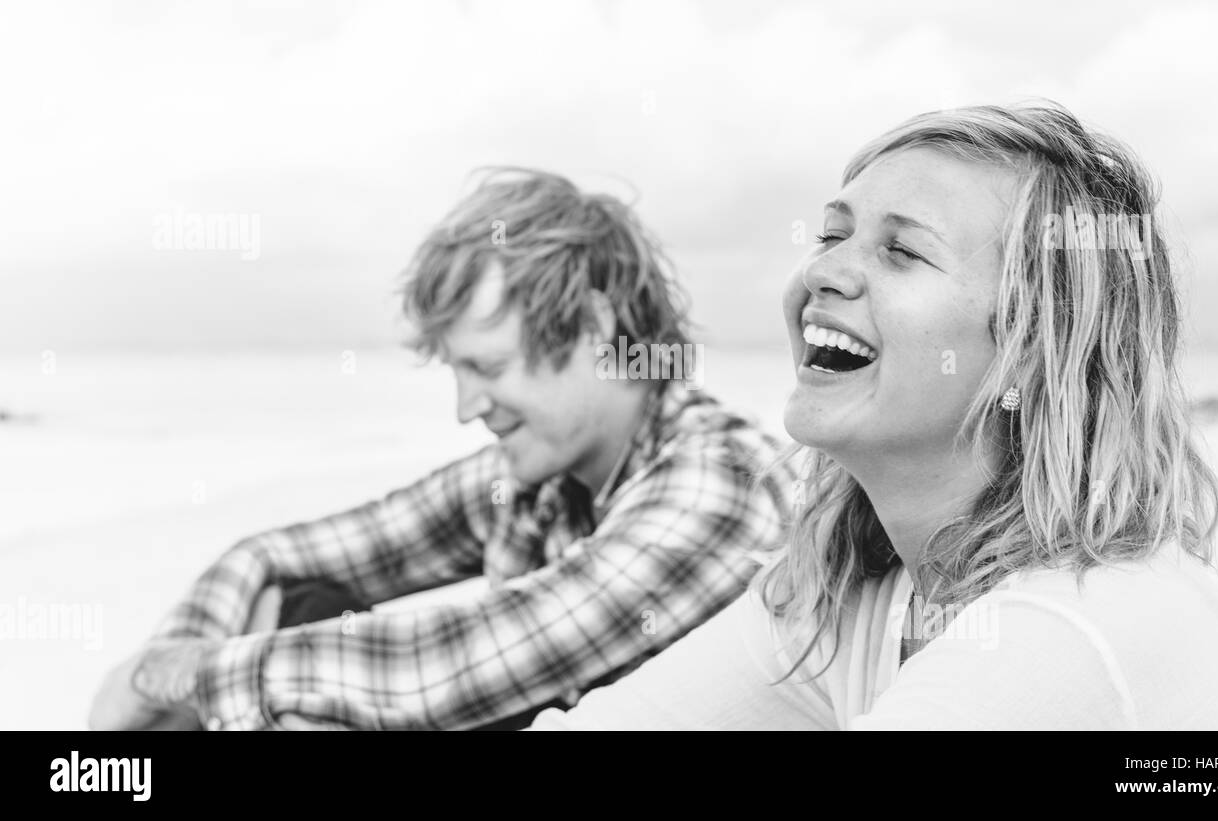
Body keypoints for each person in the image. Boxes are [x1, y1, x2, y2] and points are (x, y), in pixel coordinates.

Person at [528, 104, 1218, 730]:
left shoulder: (1067, 624)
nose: (823, 271)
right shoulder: (852, 593)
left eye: (902, 253)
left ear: (1033, 356)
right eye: (833, 235)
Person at [88, 168, 795, 731]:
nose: (465, 409)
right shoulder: (541, 479)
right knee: (302, 604)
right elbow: (267, 554)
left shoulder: (720, 482)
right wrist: (158, 679)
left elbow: (460, 663)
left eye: (487, 368)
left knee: (309, 696)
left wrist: (182, 677)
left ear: (593, 328)